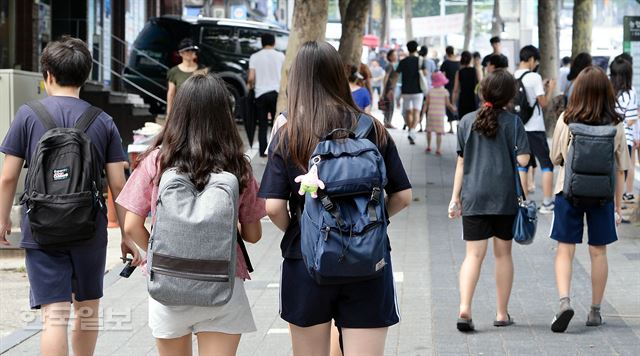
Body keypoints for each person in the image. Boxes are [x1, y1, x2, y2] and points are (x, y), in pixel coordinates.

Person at [259, 40, 412, 356]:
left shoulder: (289, 134)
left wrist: (300, 229)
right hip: (368, 258)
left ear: (297, 80)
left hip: (307, 259)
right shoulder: (372, 128)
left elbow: (273, 207)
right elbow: (404, 196)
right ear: (339, 76)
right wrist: (368, 221)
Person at [0, 36, 141, 355]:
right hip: (88, 227)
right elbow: (118, 184)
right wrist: (125, 232)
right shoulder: (102, 120)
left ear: (46, 74)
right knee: (87, 310)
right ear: (86, 75)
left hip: (41, 226)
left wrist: (2, 220)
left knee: (54, 317)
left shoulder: (27, 115)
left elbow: (8, 175)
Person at [116, 73, 265, 355]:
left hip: (168, 284)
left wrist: (158, 253)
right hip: (224, 283)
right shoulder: (238, 165)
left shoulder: (157, 160)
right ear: (225, 115)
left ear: (179, 112)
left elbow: (131, 224)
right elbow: (254, 236)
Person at [449, 69, 530, 332]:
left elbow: (461, 163)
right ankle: (501, 313)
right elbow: (523, 160)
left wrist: (454, 198)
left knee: (473, 255)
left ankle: (464, 308)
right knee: (503, 254)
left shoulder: (466, 121)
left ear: (483, 91)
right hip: (504, 197)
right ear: (509, 96)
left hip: (473, 196)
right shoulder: (514, 123)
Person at [549, 66, 629, 333]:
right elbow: (621, 168)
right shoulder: (616, 124)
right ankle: (595, 311)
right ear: (607, 92)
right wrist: (618, 206)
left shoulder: (566, 119)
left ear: (578, 91)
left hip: (568, 191)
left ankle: (564, 302)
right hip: (602, 195)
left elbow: (555, 158)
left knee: (565, 249)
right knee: (598, 251)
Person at [514, 45, 556, 214]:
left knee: (522, 165)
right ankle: (547, 203)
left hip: (519, 127)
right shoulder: (534, 77)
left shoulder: (513, 76)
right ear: (531, 59)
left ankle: (522, 203)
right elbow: (543, 103)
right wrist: (550, 88)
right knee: (547, 164)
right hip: (535, 128)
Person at [248, 33, 285, 157]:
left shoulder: (254, 57)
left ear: (262, 43)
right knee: (276, 123)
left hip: (260, 94)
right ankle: (275, 149)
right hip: (276, 93)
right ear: (274, 42)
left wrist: (250, 86)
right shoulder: (281, 56)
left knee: (262, 124)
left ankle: (263, 150)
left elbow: (251, 78)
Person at [610, 57, 638, 206]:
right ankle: (617, 208)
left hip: (606, 137)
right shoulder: (630, 93)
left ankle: (609, 206)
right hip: (624, 139)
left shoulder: (607, 90)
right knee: (621, 172)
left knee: (608, 174)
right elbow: (631, 120)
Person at [394, 40, 426, 144]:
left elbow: (396, 75)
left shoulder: (403, 61)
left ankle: (410, 130)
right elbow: (425, 73)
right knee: (416, 111)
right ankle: (412, 131)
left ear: (407, 49)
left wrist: (392, 88)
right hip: (418, 90)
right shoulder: (420, 60)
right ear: (416, 49)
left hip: (406, 90)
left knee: (408, 112)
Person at [166, 38, 205, 116]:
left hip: (198, 110)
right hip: (180, 110)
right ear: (181, 53)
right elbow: (171, 94)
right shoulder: (174, 72)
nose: (190, 53)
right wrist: (169, 113)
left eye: (192, 50)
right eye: (187, 51)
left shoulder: (202, 70)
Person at [424, 71, 457, 155]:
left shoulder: (430, 91)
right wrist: (453, 108)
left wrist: (422, 114)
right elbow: (448, 104)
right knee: (439, 133)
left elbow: (426, 104)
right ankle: (438, 149)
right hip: (440, 115)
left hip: (431, 113)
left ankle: (428, 146)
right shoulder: (445, 91)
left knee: (429, 131)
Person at [452, 51, 481, 120]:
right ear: (471, 59)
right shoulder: (476, 71)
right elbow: (481, 86)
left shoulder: (459, 72)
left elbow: (455, 90)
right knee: (474, 121)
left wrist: (453, 104)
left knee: (463, 120)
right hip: (474, 99)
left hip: (463, 100)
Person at [440, 46, 461, 132]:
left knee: (449, 106)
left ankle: (451, 128)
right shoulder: (459, 63)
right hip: (458, 87)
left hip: (448, 87)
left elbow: (443, 76)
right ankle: (458, 125)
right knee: (457, 104)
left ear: (446, 52)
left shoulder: (446, 63)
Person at [381, 50, 399, 129]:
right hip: (389, 88)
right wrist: (385, 89)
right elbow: (386, 77)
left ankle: (387, 122)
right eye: (394, 55)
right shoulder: (390, 65)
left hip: (391, 88)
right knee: (389, 105)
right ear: (390, 57)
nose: (396, 56)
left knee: (389, 105)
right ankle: (387, 122)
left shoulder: (392, 65)